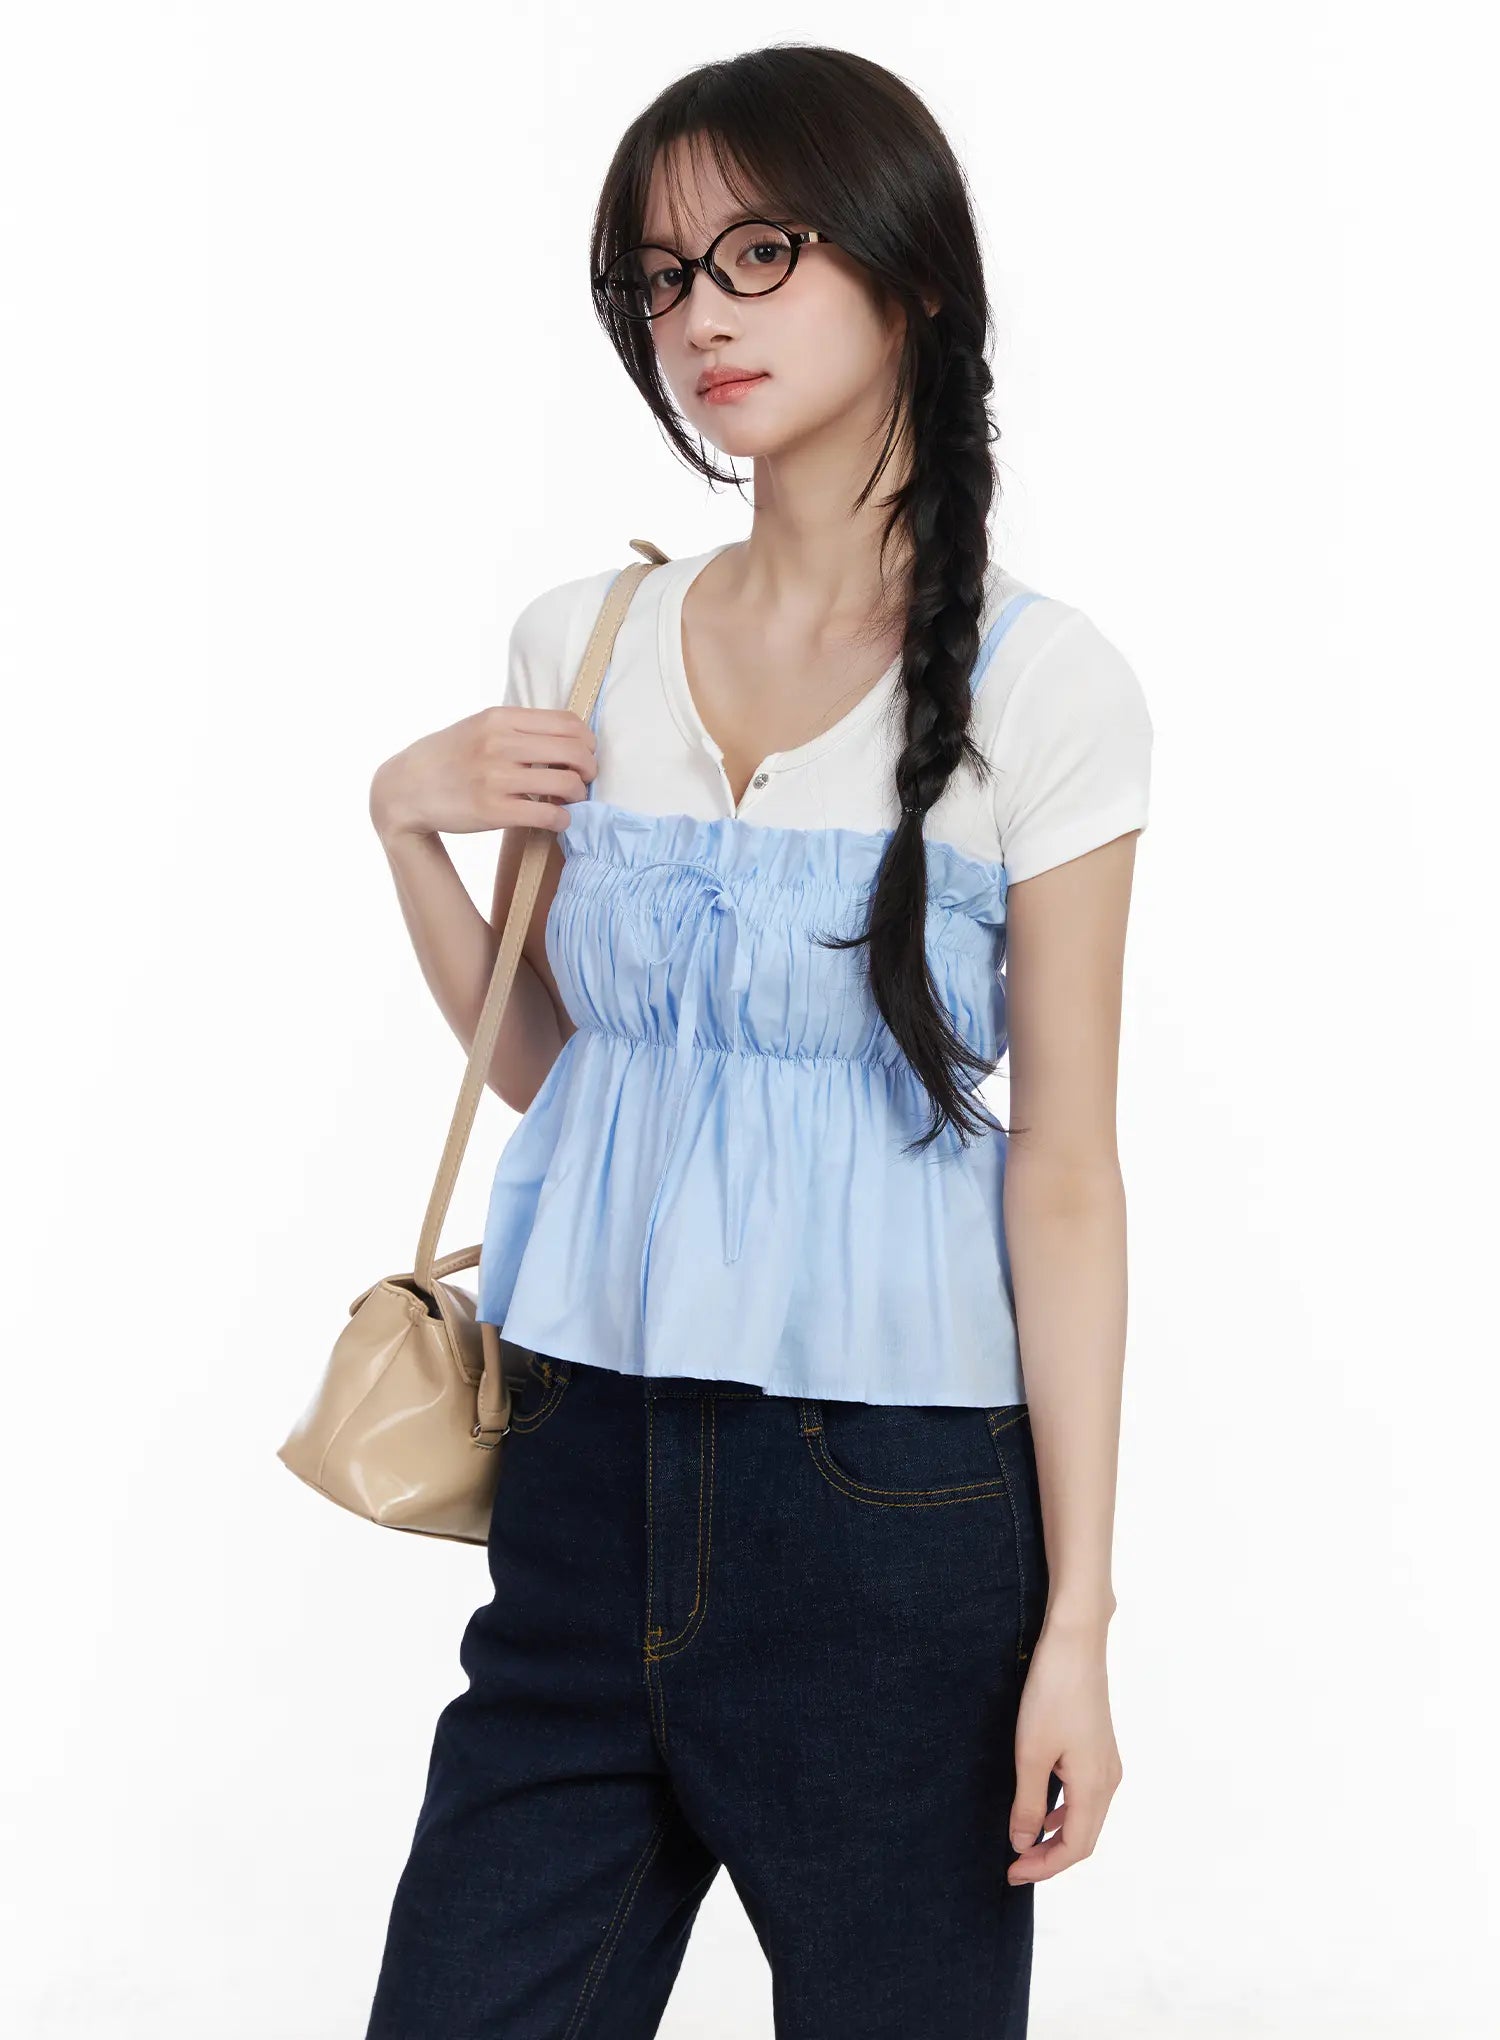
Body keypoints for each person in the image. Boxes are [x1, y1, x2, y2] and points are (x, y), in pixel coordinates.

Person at [360, 43, 1151, 2040]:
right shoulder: (584, 647)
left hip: (896, 1509)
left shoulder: (1045, 689)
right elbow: (560, 1069)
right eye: (660, 277)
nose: (699, 314)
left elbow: (1066, 1169)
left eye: (759, 254)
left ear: (915, 277)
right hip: (578, 1468)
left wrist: (1076, 1621)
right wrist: (405, 824)